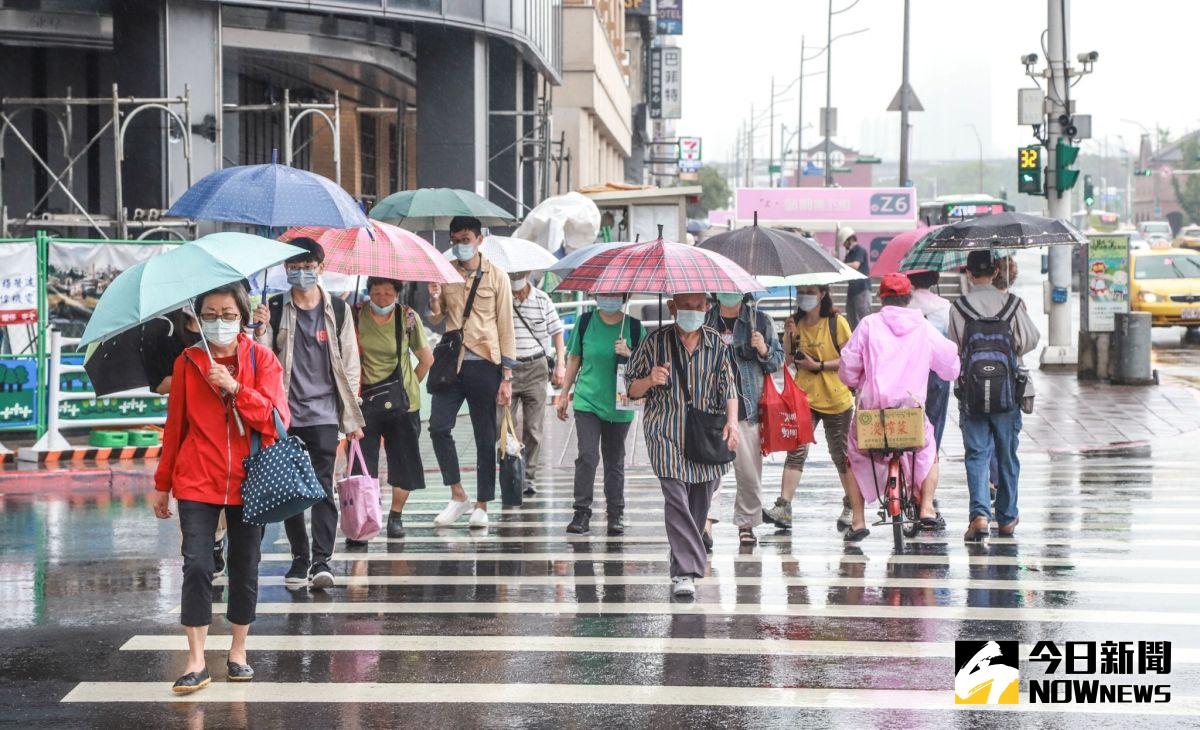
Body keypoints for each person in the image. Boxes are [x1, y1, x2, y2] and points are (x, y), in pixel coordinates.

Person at [153, 284, 288, 694]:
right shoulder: (188, 362)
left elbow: (277, 419)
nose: (219, 321)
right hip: (197, 478)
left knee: (245, 565)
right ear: (197, 319)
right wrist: (162, 484)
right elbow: (176, 426)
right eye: (210, 313)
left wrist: (234, 387)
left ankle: (238, 652)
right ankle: (196, 660)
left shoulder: (262, 359)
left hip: (251, 480)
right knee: (196, 564)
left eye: (228, 313)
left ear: (243, 316)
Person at [252, 237, 364, 591]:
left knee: (321, 488)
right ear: (286, 269)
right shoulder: (273, 307)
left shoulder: (339, 310)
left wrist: (352, 420)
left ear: (320, 265)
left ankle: (321, 560)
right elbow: (262, 360)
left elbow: (350, 365)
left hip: (326, 415)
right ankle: (300, 559)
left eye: (307, 266)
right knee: (291, 492)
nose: (301, 273)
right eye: (294, 267)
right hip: (286, 415)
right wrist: (259, 329)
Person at [627, 292, 738, 598]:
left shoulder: (716, 343)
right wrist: (650, 379)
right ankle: (686, 571)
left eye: (699, 307)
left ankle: (682, 555)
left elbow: (729, 387)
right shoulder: (654, 342)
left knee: (700, 501)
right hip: (665, 432)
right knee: (676, 496)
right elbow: (631, 390)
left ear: (708, 308)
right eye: (686, 307)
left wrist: (732, 422)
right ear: (672, 307)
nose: (693, 312)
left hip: (706, 432)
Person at [839, 273, 961, 540]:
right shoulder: (922, 325)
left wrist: (857, 380)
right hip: (910, 411)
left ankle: (858, 521)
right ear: (909, 297)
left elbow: (848, 367)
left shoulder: (869, 324)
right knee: (928, 451)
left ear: (882, 298)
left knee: (853, 456)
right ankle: (927, 507)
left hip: (873, 413)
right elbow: (949, 360)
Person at [426, 215, 517, 529]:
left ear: (479, 239)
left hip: (486, 364)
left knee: (484, 437)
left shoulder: (498, 277)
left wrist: (507, 377)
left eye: (465, 239)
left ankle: (482, 504)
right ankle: (457, 494)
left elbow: (506, 326)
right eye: (455, 240)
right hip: (452, 364)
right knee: (438, 427)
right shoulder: (444, 272)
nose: (460, 245)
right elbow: (437, 321)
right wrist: (435, 299)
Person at [950, 251, 1039, 541]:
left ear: (969, 274)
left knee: (977, 454)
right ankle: (1008, 517)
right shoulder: (1012, 304)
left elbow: (953, 347)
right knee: (1006, 454)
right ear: (996, 270)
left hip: (972, 394)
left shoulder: (959, 307)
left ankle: (979, 515)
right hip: (1006, 393)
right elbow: (1030, 340)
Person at [763, 285, 858, 533]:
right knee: (795, 450)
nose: (805, 296)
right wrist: (788, 334)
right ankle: (783, 506)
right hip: (804, 397)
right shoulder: (797, 322)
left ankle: (851, 506)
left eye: (810, 291)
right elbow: (789, 358)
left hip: (836, 398)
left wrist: (820, 365)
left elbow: (850, 358)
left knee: (841, 454)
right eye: (802, 291)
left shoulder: (837, 322)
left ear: (823, 294)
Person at [556, 293, 644, 535]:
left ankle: (615, 514)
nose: (608, 298)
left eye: (614, 294)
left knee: (614, 460)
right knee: (587, 455)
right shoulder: (585, 323)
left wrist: (630, 353)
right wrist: (564, 394)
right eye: (603, 293)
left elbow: (648, 364)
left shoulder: (634, 328)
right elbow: (574, 358)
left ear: (624, 297)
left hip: (620, 403)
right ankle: (581, 512)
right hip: (587, 400)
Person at [356, 277, 433, 539]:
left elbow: (426, 359)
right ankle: (365, 519)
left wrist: (408, 385)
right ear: (368, 293)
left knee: (403, 461)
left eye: (388, 293)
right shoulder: (356, 315)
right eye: (376, 293)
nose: (382, 299)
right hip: (363, 401)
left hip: (403, 404)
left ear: (398, 294)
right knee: (362, 464)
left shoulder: (407, 318)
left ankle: (395, 516)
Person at [704, 292, 784, 546]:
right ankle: (706, 523)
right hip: (711, 408)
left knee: (749, 473)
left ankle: (747, 524)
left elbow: (777, 361)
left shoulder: (760, 321)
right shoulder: (705, 320)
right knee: (708, 472)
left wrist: (763, 348)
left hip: (748, 408)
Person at [508, 269, 566, 493]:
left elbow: (557, 332)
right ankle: (511, 473)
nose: (515, 277)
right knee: (504, 426)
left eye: (519, 273)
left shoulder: (542, 299)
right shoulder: (502, 298)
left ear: (529, 273)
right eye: (511, 273)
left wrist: (560, 364)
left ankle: (527, 476)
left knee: (533, 428)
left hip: (536, 367)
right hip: (508, 369)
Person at [907, 269, 953, 514]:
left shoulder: (906, 306)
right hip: (936, 377)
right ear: (935, 280)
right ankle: (926, 491)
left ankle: (909, 483)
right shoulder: (945, 307)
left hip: (907, 377)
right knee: (932, 434)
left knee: (907, 433)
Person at [840, 227, 872, 329]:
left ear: (849, 240)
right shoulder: (849, 254)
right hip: (852, 290)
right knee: (851, 319)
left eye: (844, 242)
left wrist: (841, 264)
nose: (844, 246)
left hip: (862, 289)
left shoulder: (859, 250)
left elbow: (855, 265)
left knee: (863, 318)